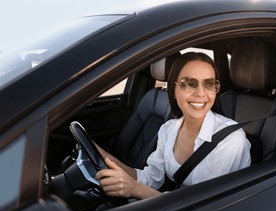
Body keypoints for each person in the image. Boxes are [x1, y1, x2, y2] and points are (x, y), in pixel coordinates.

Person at [95, 52, 251, 200]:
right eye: (189, 83)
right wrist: (102, 155)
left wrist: (135, 189)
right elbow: (150, 178)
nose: (200, 93)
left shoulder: (230, 139)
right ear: (173, 90)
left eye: (209, 84)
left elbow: (199, 205)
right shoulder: (168, 129)